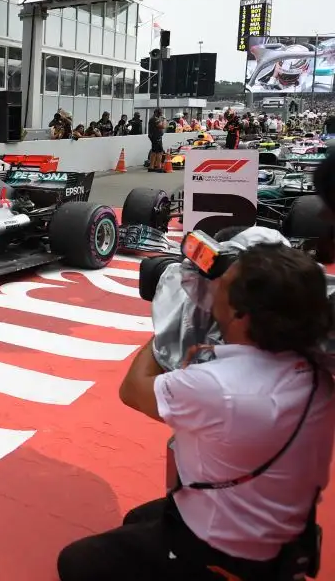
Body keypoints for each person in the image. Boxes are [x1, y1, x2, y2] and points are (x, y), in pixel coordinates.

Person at [57, 243, 335, 581]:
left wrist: (172, 320)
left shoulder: (215, 387)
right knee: (137, 519)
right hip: (282, 531)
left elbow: (132, 389)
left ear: (240, 315)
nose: (212, 289)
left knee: (75, 563)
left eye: (222, 285)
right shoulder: (318, 371)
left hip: (224, 549)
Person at [147, 108, 166, 172]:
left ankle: (151, 167)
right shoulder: (155, 119)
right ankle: (158, 167)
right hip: (156, 137)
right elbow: (162, 126)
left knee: (154, 151)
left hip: (154, 137)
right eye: (160, 113)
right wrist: (164, 120)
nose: (161, 114)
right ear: (157, 113)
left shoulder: (153, 119)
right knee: (160, 152)